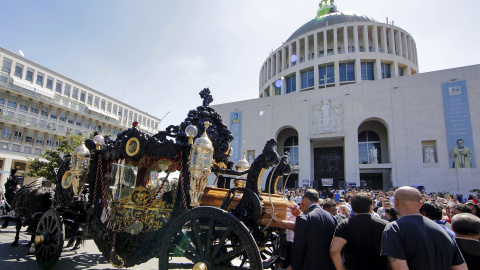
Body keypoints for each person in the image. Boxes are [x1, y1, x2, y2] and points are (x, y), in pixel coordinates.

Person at [381, 186, 467, 270]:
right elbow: (461, 267)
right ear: (420, 205)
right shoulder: (445, 231)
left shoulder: (394, 229)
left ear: (396, 202)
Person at [330, 193, 389, 270]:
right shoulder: (384, 224)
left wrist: (341, 268)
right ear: (370, 206)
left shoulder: (345, 224)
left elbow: (334, 251)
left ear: (352, 207)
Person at [288, 189, 337, 270]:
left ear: (306, 200)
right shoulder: (332, 218)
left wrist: (294, 266)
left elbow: (299, 247)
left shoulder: (304, 217)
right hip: (328, 265)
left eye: (303, 202)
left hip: (308, 265)